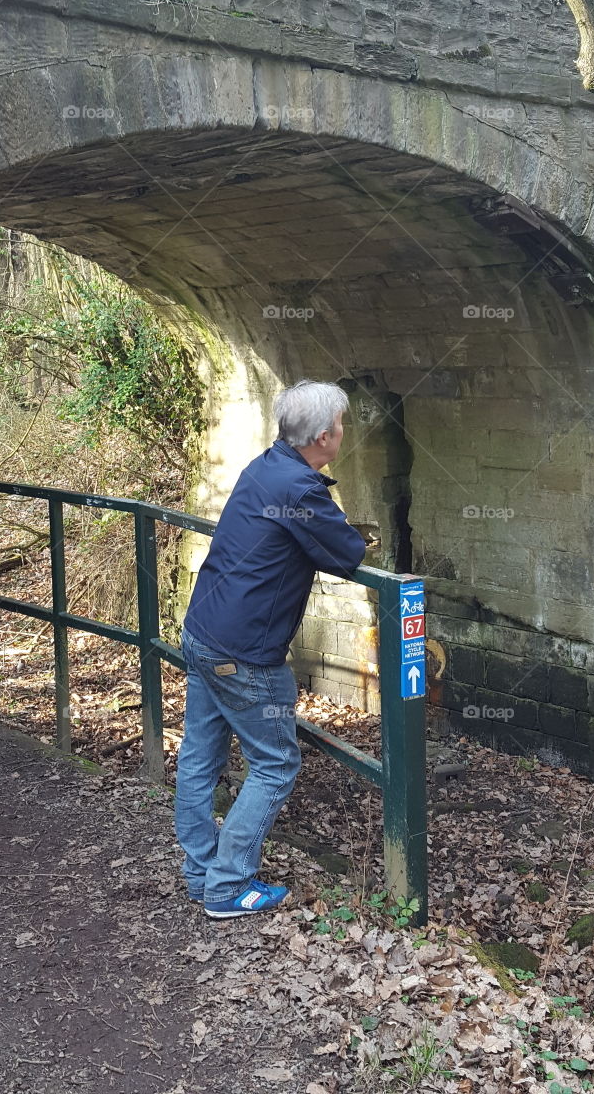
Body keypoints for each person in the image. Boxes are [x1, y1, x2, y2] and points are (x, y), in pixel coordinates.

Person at [175, 379, 366, 919]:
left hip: (204, 630)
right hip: (243, 651)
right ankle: (227, 886)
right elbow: (347, 553)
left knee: (199, 757)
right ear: (325, 436)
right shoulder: (301, 490)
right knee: (276, 764)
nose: (344, 434)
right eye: (342, 426)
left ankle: (199, 872)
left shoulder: (265, 465)